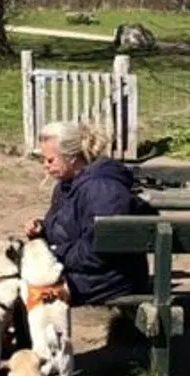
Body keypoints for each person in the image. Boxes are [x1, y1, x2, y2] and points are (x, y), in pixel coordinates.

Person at [24, 120, 151, 305]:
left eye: (50, 160)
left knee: (36, 296)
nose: (45, 166)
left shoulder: (103, 189)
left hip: (111, 278)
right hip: (86, 271)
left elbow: (101, 251)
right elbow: (69, 229)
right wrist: (42, 229)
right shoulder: (66, 185)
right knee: (15, 284)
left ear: (72, 158)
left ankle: (48, 335)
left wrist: (55, 253)